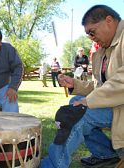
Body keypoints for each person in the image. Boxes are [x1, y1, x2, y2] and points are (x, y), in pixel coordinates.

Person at [40, 5, 124, 168]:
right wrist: (76, 84)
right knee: (76, 102)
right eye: (88, 34)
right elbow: (100, 86)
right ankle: (105, 154)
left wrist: (89, 101)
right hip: (116, 107)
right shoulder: (103, 52)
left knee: (78, 113)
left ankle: (52, 165)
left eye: (92, 32)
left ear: (108, 21)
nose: (91, 38)